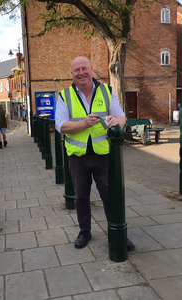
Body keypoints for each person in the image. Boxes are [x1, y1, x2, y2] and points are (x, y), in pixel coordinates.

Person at [55, 56, 135, 251]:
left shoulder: (106, 91)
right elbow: (60, 125)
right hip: (77, 156)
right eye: (77, 70)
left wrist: (118, 123)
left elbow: (122, 115)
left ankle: (117, 232)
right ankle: (85, 231)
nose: (81, 73)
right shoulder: (65, 95)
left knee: (109, 195)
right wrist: (84, 124)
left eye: (84, 69)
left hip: (103, 155)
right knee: (81, 197)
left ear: (91, 69)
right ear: (72, 74)